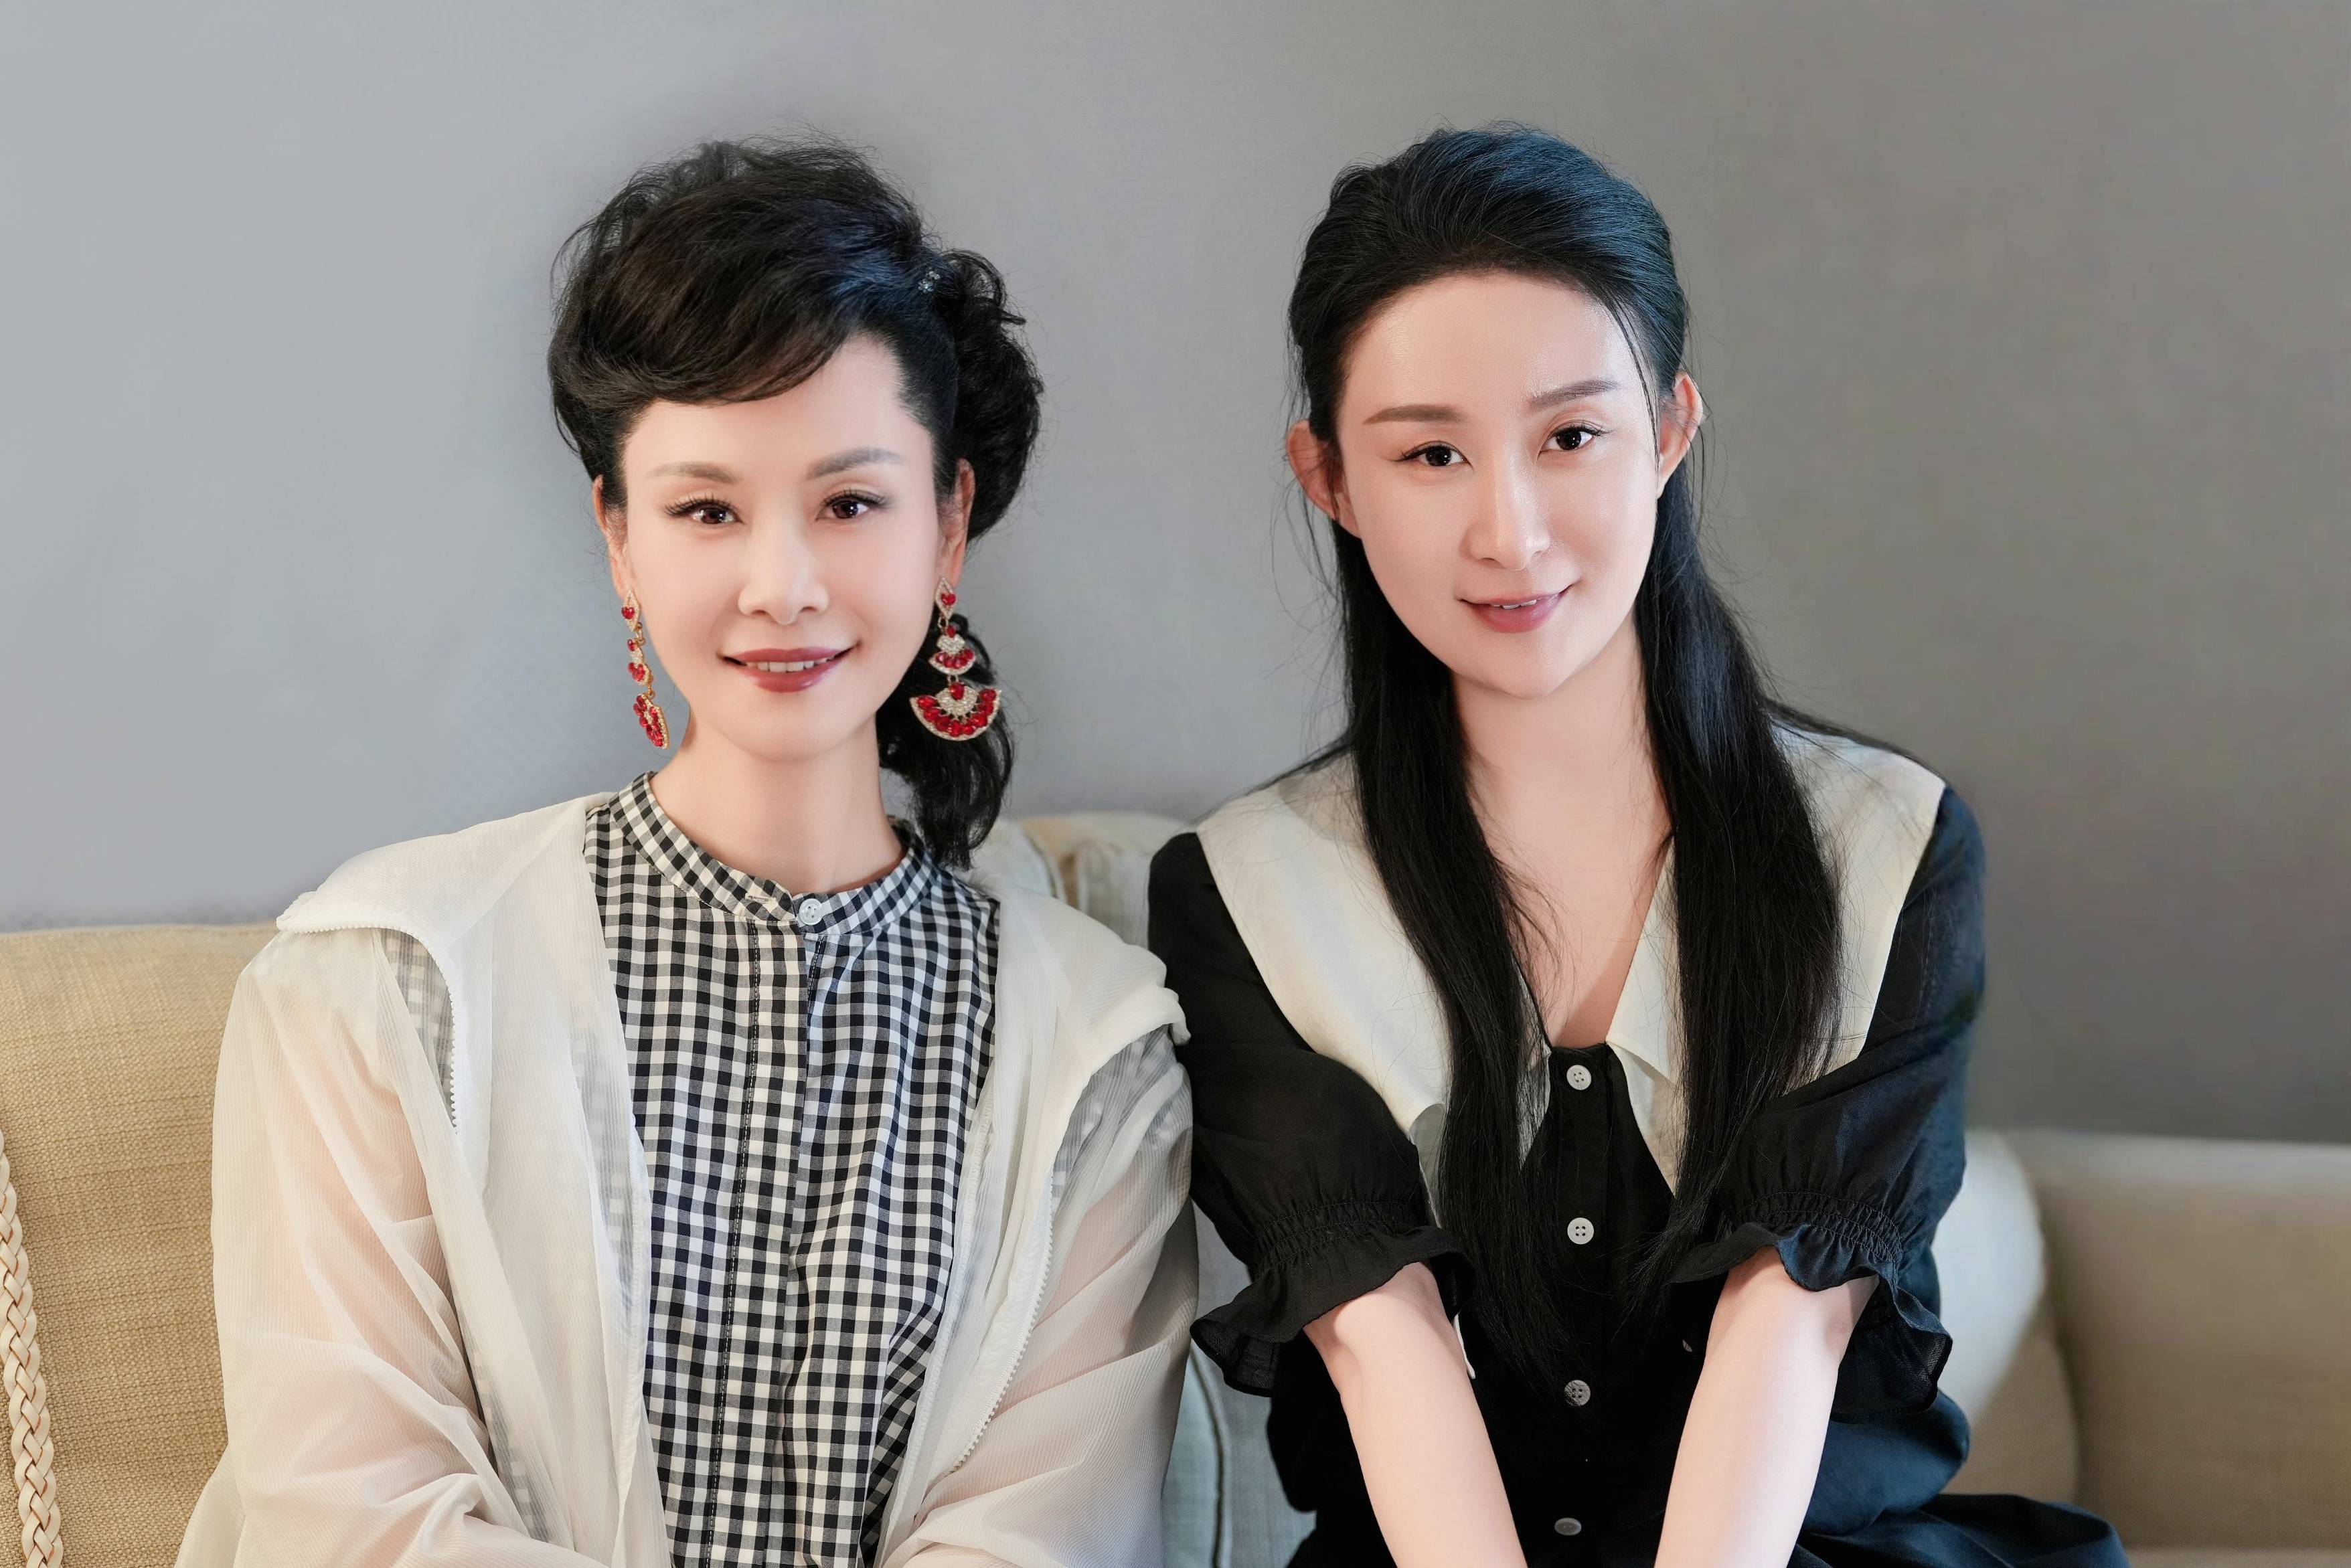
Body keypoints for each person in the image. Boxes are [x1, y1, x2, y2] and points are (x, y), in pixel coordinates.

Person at [178, 138, 1194, 1568]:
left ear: (949, 523)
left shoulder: (1097, 1056)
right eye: (706, 509)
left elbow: (1044, 1541)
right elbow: (354, 1524)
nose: (782, 584)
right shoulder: (386, 983)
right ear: (617, 534)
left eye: (850, 502)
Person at [1147, 124, 2125, 1567]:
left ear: (1668, 431)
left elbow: (1788, 1321)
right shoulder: (1248, 890)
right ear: (1330, 478)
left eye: (1571, 436)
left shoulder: (1883, 847)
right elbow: (1378, 1339)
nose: (1510, 531)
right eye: (1430, 453)